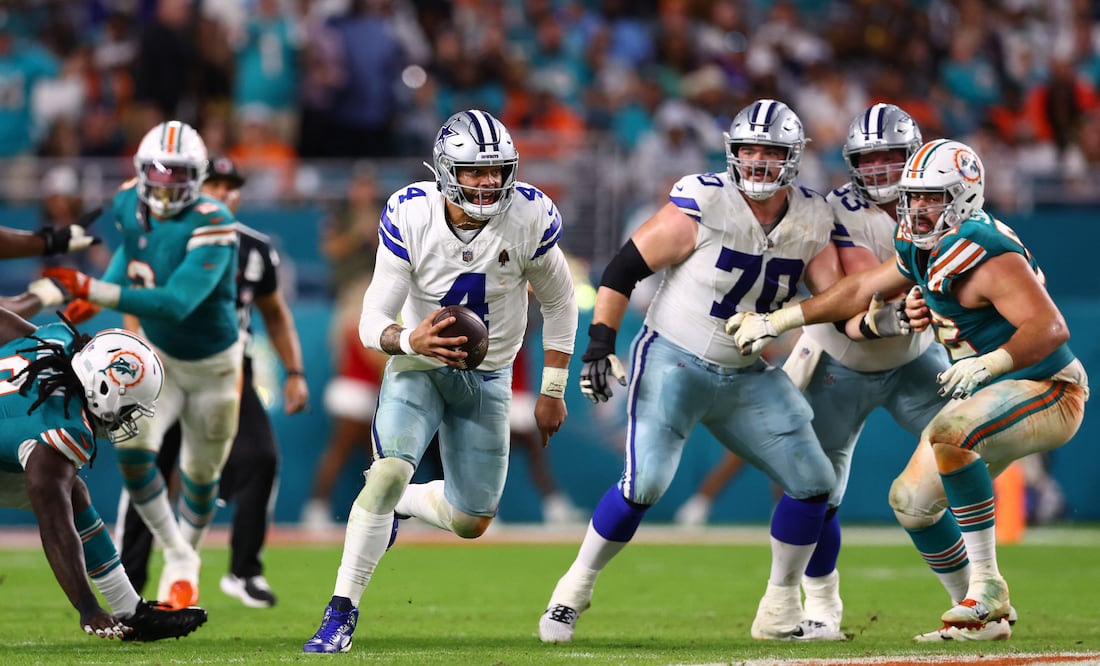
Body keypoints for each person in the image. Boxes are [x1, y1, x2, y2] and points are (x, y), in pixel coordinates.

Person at [727, 138, 1089, 641]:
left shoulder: (985, 248)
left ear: (963, 196)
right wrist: (779, 319)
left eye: (933, 197)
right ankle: (982, 617)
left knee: (950, 431)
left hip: (1049, 388)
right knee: (910, 503)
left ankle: (988, 587)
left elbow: (1051, 329)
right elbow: (859, 290)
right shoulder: (921, 244)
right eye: (914, 197)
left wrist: (990, 362)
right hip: (995, 390)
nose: (918, 208)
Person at [539, 99, 856, 644]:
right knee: (646, 485)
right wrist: (600, 343)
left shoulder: (811, 217)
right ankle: (573, 589)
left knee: (814, 483)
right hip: (674, 360)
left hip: (747, 372)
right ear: (732, 152)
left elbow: (834, 297)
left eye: (771, 150)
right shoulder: (705, 200)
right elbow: (624, 268)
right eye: (749, 149)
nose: (758, 160)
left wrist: (872, 322)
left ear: (793, 157)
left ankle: (779, 609)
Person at [303, 109, 578, 654]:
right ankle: (341, 611)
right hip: (418, 367)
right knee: (385, 473)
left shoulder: (529, 215)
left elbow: (561, 301)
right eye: (475, 172)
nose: (489, 182)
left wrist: (551, 390)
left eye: (497, 170)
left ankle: (408, 502)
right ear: (447, 170)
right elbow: (369, 321)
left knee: (472, 521)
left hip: (490, 375)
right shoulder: (411, 213)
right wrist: (411, 341)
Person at [760, 103, 952, 640]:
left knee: (971, 446)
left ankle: (978, 597)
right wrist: (911, 307)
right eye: (872, 160)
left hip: (915, 357)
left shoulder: (946, 199)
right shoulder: (836, 211)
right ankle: (819, 606)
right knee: (814, 489)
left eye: (895, 157)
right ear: (851, 164)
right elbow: (857, 296)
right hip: (839, 360)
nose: (885, 171)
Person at [35, 120, 243, 610]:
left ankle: (184, 556)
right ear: (141, 170)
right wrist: (92, 296)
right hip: (160, 360)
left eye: (179, 174)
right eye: (159, 172)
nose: (167, 183)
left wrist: (91, 290)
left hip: (214, 365)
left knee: (199, 473)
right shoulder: (130, 201)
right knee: (132, 452)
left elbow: (175, 303)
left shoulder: (215, 221)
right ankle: (176, 552)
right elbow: (130, 249)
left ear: (198, 176)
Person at [114, 155, 309, 609]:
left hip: (224, 371)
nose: (225, 193)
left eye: (231, 186)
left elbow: (276, 315)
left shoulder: (254, 249)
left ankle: (244, 571)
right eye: (216, 184)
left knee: (260, 457)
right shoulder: (166, 238)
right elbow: (137, 306)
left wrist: (296, 372)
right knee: (152, 467)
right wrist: (130, 362)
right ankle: (127, 582)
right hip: (162, 367)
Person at [0, 312, 207, 641]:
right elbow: (55, 525)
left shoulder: (57, 341)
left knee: (74, 492)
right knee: (65, 496)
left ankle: (132, 612)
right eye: (129, 408)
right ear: (105, 386)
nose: (128, 419)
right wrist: (87, 607)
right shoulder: (59, 431)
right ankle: (128, 613)